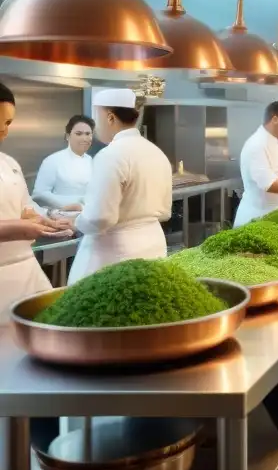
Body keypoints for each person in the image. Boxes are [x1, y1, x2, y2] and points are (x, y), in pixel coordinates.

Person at [69, 89, 173, 285]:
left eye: (96, 117)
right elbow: (165, 212)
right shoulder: (156, 152)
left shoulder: (110, 155)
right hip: (153, 245)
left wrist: (76, 222)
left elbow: (100, 218)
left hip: (115, 253)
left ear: (109, 117)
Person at [0, 81, 72, 325]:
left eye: (8, 122)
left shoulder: (8, 163)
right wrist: (22, 228)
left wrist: (42, 220)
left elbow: (24, 208)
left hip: (27, 275)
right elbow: (20, 223)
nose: (3, 130)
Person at [32, 115, 95, 212]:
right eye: (79, 134)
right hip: (61, 218)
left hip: (89, 218)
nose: (84, 138)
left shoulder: (93, 161)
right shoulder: (53, 160)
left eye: (88, 134)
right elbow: (39, 194)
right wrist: (74, 203)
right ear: (67, 136)